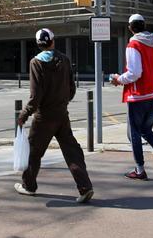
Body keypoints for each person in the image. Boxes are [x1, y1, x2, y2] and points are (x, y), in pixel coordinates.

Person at [15, 28, 94, 203]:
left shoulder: (36, 63)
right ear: (53, 41)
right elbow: (72, 88)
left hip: (44, 116)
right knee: (72, 151)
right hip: (61, 114)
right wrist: (63, 102)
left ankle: (29, 186)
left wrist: (24, 114)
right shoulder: (64, 60)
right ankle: (85, 187)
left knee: (33, 152)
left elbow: (35, 97)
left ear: (38, 44)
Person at [110, 14, 153, 180]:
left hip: (138, 97)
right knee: (146, 129)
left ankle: (139, 170)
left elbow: (134, 73)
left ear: (130, 28)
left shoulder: (134, 44)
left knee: (134, 133)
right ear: (144, 25)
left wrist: (118, 79)